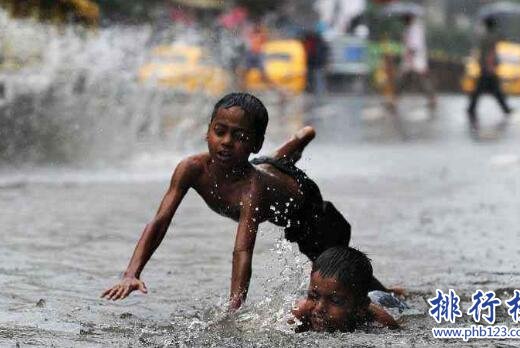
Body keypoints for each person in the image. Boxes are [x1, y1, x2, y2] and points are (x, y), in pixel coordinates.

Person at [101, 93, 392, 310]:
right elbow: (160, 220)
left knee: (333, 270)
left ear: (254, 143)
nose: (226, 142)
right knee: (273, 163)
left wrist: (234, 307)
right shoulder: (191, 168)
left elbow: (242, 250)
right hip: (268, 166)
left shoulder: (252, 189)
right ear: (208, 131)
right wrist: (131, 273)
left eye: (239, 136)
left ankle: (388, 295)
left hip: (305, 206)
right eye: (220, 131)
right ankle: (298, 141)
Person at [290, 246, 400, 332]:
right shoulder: (299, 314)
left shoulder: (382, 322)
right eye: (313, 296)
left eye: (335, 300)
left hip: (381, 299)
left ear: (360, 308)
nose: (319, 308)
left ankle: (397, 292)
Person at [467, 16, 513, 132]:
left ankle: (472, 108)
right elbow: (491, 52)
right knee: (487, 89)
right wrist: (490, 66)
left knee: (489, 89)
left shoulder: (485, 36)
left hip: (484, 65)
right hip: (488, 66)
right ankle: (472, 108)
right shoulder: (491, 37)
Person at [391, 14, 436, 110]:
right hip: (410, 60)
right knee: (404, 80)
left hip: (415, 59)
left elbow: (414, 46)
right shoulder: (408, 29)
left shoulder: (415, 29)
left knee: (418, 80)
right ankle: (395, 100)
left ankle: (432, 99)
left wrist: (410, 60)